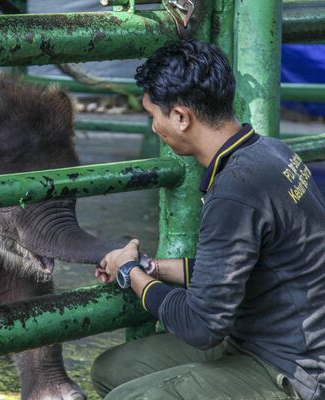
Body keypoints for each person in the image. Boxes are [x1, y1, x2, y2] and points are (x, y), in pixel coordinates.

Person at [91, 40, 325, 400]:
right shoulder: (271, 151)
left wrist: (130, 274)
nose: (154, 127)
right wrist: (152, 266)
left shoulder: (236, 189)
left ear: (181, 117)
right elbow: (235, 268)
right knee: (113, 370)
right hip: (261, 337)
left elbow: (202, 325)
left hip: (292, 369)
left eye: (154, 114)